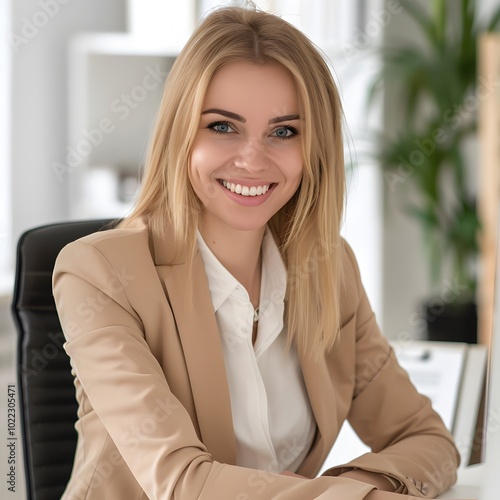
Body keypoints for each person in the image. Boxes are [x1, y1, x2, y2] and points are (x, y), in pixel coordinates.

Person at [53, 5, 460, 499]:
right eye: (222, 126)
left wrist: (351, 484)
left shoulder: (329, 270)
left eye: (284, 131)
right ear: (180, 134)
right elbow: (181, 483)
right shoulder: (99, 274)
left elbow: (427, 440)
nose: (253, 159)